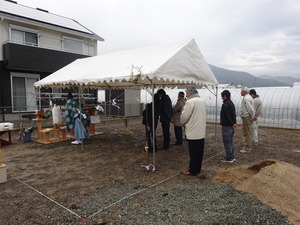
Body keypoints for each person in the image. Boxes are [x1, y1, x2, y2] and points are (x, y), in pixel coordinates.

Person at [180, 86, 206, 176]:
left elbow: (184, 116)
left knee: (193, 152)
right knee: (199, 152)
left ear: (190, 93)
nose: (186, 95)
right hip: (201, 131)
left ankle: (192, 170)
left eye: (186, 93)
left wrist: (182, 122)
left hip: (193, 131)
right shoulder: (202, 100)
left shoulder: (190, 102)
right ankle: (198, 168)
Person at [220, 90, 237, 163]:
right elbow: (233, 114)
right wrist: (234, 123)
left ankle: (229, 157)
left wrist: (231, 123)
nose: (222, 98)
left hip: (227, 125)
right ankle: (231, 156)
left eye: (222, 96)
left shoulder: (225, 105)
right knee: (230, 141)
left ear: (225, 96)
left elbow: (227, 116)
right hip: (231, 125)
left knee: (227, 141)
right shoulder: (231, 103)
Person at [239, 87, 255, 153]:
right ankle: (246, 145)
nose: (240, 92)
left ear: (245, 92)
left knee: (247, 132)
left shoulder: (247, 98)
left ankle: (247, 148)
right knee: (246, 132)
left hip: (246, 117)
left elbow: (250, 109)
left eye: (241, 91)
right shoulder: (247, 97)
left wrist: (252, 116)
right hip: (246, 116)